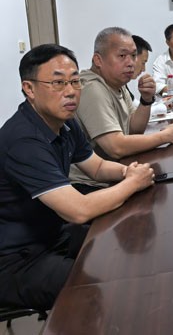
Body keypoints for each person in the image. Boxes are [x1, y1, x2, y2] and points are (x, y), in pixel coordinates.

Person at [0, 44, 154, 310]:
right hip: (15, 258)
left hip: (52, 234)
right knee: (98, 287)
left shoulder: (64, 121)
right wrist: (131, 183)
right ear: (29, 89)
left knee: (122, 249)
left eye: (74, 81)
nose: (70, 91)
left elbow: (96, 167)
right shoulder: (23, 140)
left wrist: (127, 171)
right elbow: (78, 210)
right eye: (58, 83)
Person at [70, 28, 173, 192]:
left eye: (133, 55)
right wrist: (165, 136)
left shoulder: (117, 84)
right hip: (89, 185)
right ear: (98, 60)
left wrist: (146, 100)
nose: (131, 63)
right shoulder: (92, 88)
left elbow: (134, 129)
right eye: (122, 56)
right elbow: (115, 147)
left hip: (115, 172)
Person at [126, 34, 152, 102]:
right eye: (143, 63)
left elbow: (134, 105)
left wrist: (147, 98)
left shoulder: (122, 86)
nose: (144, 69)